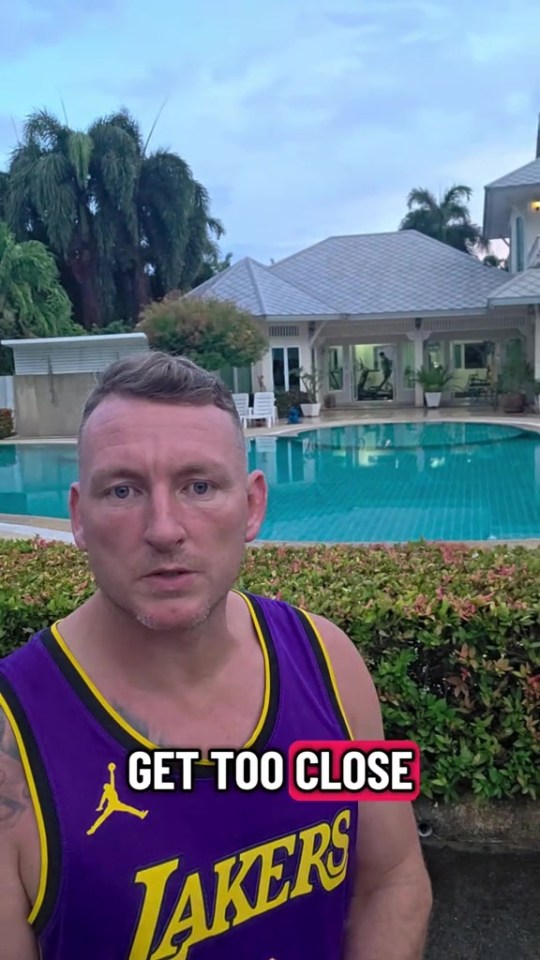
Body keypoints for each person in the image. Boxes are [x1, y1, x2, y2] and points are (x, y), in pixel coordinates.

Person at [0, 351, 432, 959]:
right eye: (123, 490)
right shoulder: (12, 740)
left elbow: (392, 880)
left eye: (198, 486)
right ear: (77, 516)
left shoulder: (329, 662)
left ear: (252, 505)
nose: (165, 528)